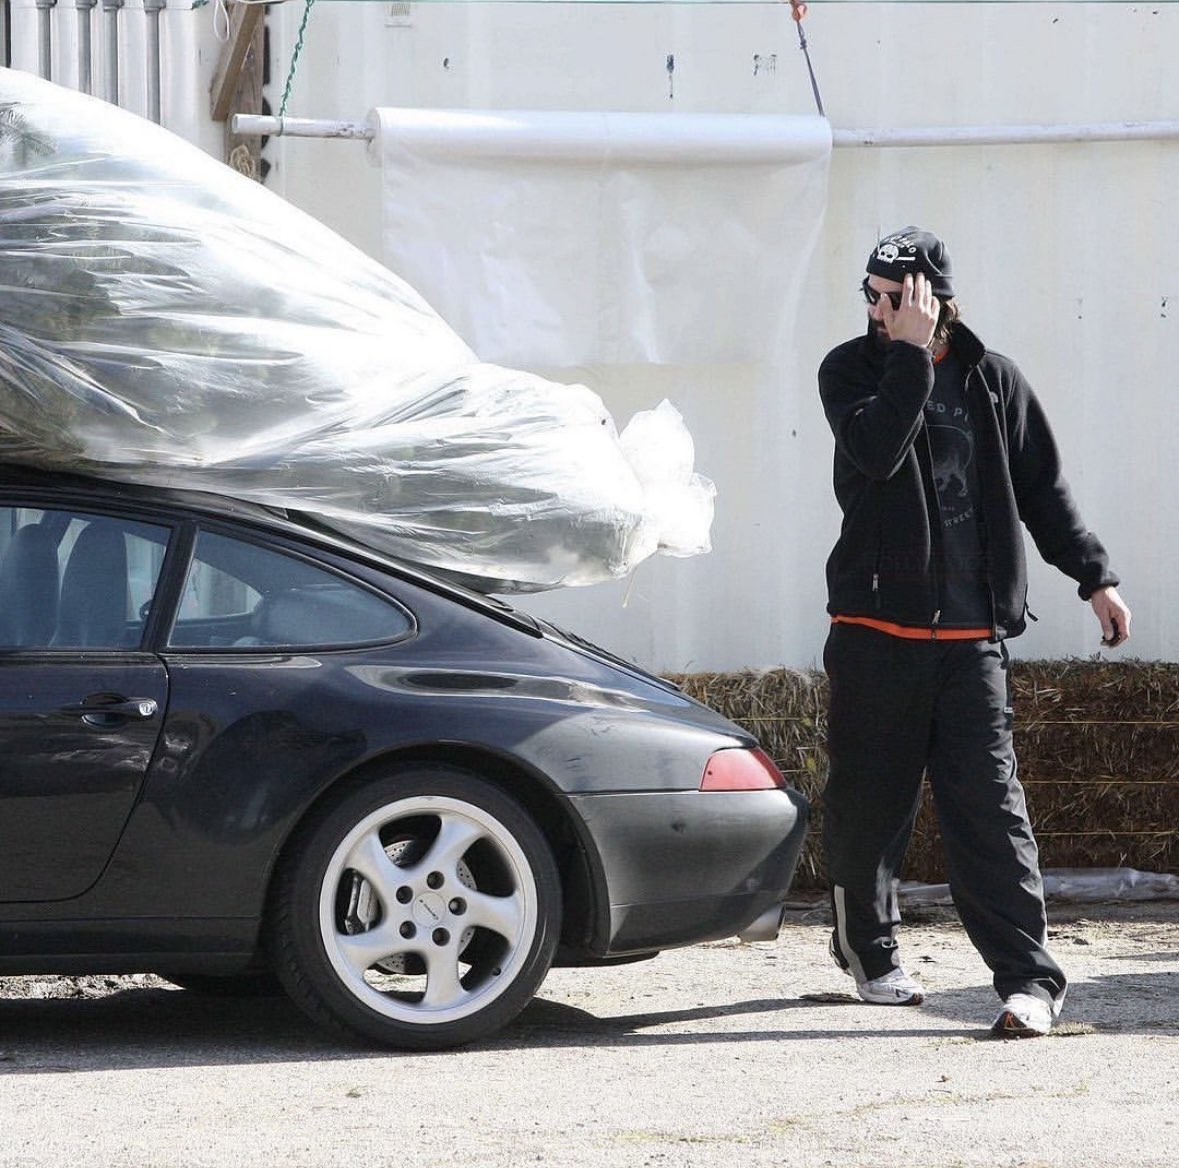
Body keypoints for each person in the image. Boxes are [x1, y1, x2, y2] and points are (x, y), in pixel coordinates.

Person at [817, 226, 1132, 1038]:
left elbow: (1042, 491)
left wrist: (1094, 577)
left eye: (894, 297)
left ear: (936, 300)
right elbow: (875, 453)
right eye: (870, 293)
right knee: (867, 810)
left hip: (970, 641)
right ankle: (867, 952)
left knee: (990, 812)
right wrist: (907, 357)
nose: (877, 308)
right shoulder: (850, 371)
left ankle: (1029, 982)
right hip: (873, 633)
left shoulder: (994, 381)